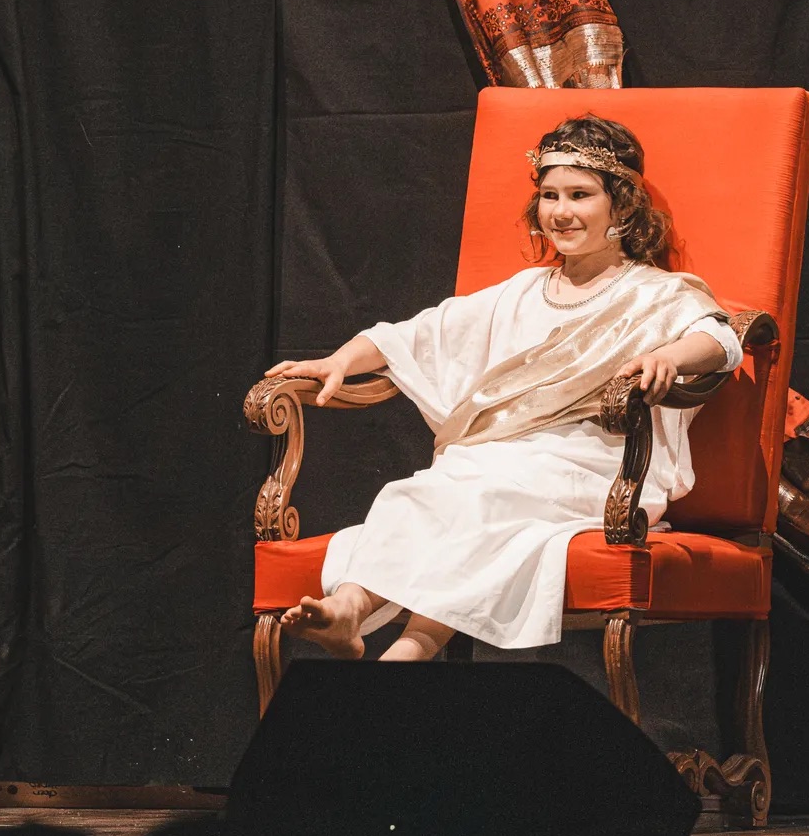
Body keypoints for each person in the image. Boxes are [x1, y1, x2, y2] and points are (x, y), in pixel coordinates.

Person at [265, 115, 742, 662]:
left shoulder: (653, 294)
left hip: (596, 466)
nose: (560, 211)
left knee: (479, 496)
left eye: (580, 195)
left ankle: (400, 645)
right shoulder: (523, 292)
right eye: (550, 195)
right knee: (423, 493)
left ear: (623, 207)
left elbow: (721, 340)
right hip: (500, 460)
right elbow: (415, 335)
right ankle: (356, 615)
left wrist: (667, 356)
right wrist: (338, 361)